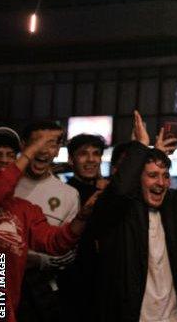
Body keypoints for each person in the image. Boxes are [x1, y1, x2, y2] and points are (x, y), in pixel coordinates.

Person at [89, 104, 177, 322]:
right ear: (138, 179)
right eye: (153, 175)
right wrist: (140, 145)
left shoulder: (173, 208)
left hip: (174, 317)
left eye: (165, 176)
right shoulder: (120, 212)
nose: (161, 183)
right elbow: (120, 190)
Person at [0, 126, 93, 322]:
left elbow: (54, 241)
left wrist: (82, 217)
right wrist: (32, 150)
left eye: (10, 155)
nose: (4, 160)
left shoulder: (22, 208)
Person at [15, 120, 80, 322]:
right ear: (23, 146)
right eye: (38, 142)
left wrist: (40, 261)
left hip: (43, 292)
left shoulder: (69, 194)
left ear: (58, 149)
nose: (44, 150)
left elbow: (69, 252)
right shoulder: (5, 184)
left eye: (51, 143)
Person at [60, 133, 109, 322]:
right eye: (83, 154)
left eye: (96, 154)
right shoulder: (64, 193)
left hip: (104, 284)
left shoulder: (107, 192)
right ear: (71, 159)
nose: (91, 159)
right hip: (73, 284)